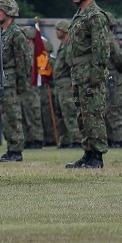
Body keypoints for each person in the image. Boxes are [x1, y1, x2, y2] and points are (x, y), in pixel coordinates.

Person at [64, 0, 112, 169]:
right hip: (79, 72)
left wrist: (96, 76)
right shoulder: (79, 16)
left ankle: (97, 156)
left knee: (93, 113)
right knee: (83, 115)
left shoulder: (96, 16)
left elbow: (101, 50)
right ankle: (88, 152)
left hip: (90, 73)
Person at [0, 0, 31, 162]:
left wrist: (21, 82)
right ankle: (11, 149)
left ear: (9, 12)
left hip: (12, 79)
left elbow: (24, 61)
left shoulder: (16, 34)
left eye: (0, 10)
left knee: (13, 115)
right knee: (7, 116)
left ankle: (16, 151)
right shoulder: (2, 33)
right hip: (2, 78)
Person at [52, 19, 82, 148]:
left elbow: (72, 65)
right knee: (60, 114)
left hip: (66, 85)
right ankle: (64, 140)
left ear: (64, 30)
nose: (57, 32)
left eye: (58, 29)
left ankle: (77, 139)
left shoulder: (69, 45)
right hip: (59, 85)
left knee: (69, 113)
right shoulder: (62, 46)